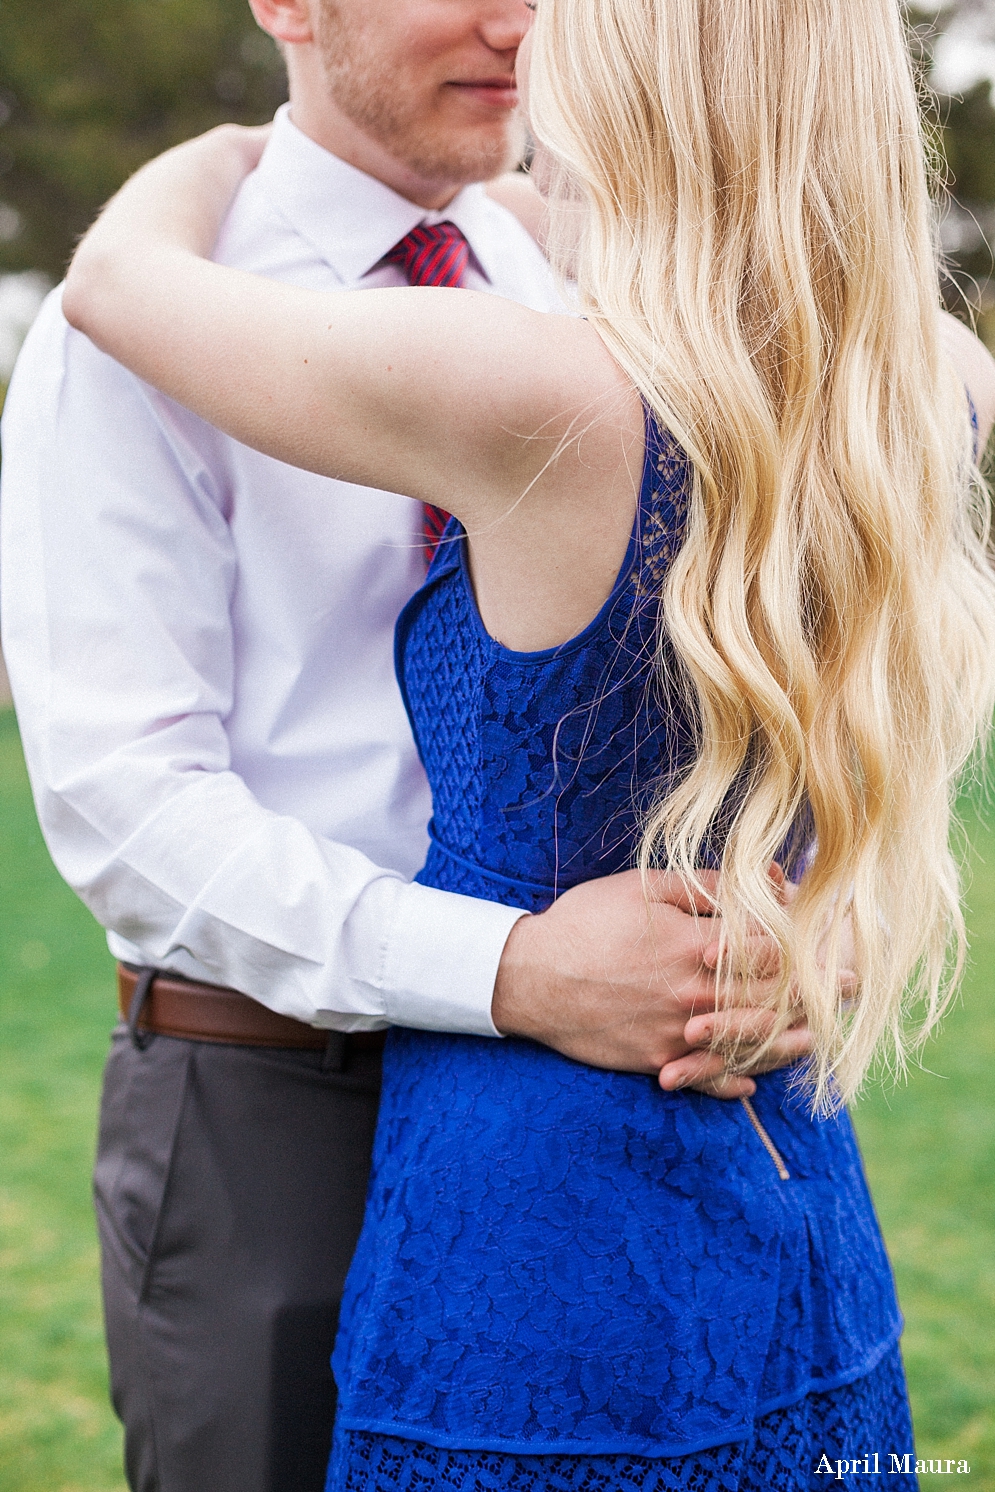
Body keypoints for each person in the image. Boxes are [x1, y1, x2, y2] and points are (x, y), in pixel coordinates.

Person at [53, 0, 995, 1485]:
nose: (520, 17)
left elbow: (119, 276)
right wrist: (511, 970)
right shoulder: (872, 359)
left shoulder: (551, 311)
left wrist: (804, 933)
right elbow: (123, 802)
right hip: (273, 1099)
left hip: (659, 1099)